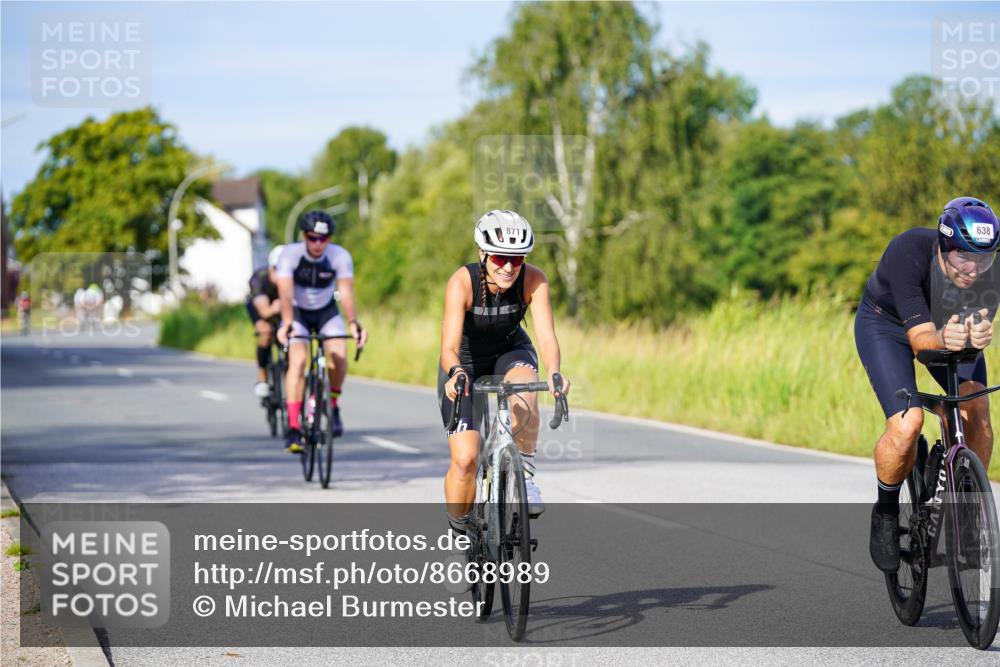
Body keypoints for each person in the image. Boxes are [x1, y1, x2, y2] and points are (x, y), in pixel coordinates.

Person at [858, 196, 999, 572]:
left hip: (945, 327)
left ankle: (967, 517)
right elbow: (922, 343)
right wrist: (948, 337)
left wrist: (978, 333)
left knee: (976, 406)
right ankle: (886, 512)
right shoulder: (909, 251)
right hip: (885, 325)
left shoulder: (988, 271)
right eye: (963, 257)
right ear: (943, 245)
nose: (973, 269)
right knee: (907, 425)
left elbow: (973, 328)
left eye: (984, 258)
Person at [439, 209, 570, 533]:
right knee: (466, 459)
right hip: (465, 361)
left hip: (511, 350)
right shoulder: (462, 282)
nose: (509, 267)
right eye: (500, 258)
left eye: (518, 258)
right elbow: (448, 348)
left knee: (525, 394)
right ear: (483, 254)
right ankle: (459, 534)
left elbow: (547, 336)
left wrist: (554, 372)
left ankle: (524, 477)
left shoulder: (534, 280)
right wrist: (455, 372)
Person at [275, 210, 367, 453]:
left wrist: (353, 323)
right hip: (297, 312)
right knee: (299, 360)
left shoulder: (339, 256)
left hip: (327, 311)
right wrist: (286, 324)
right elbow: (284, 292)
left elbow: (345, 292)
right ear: (304, 236)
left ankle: (333, 405)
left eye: (323, 239)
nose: (318, 244)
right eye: (313, 238)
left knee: (339, 354)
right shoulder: (290, 255)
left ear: (330, 239)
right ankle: (293, 427)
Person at [247, 245, 285, 398]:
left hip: (281, 306)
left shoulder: (292, 278)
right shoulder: (259, 278)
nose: (283, 275)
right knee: (265, 331)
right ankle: (262, 377)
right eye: (279, 270)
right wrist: (274, 309)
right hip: (260, 306)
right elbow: (264, 311)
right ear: (271, 268)